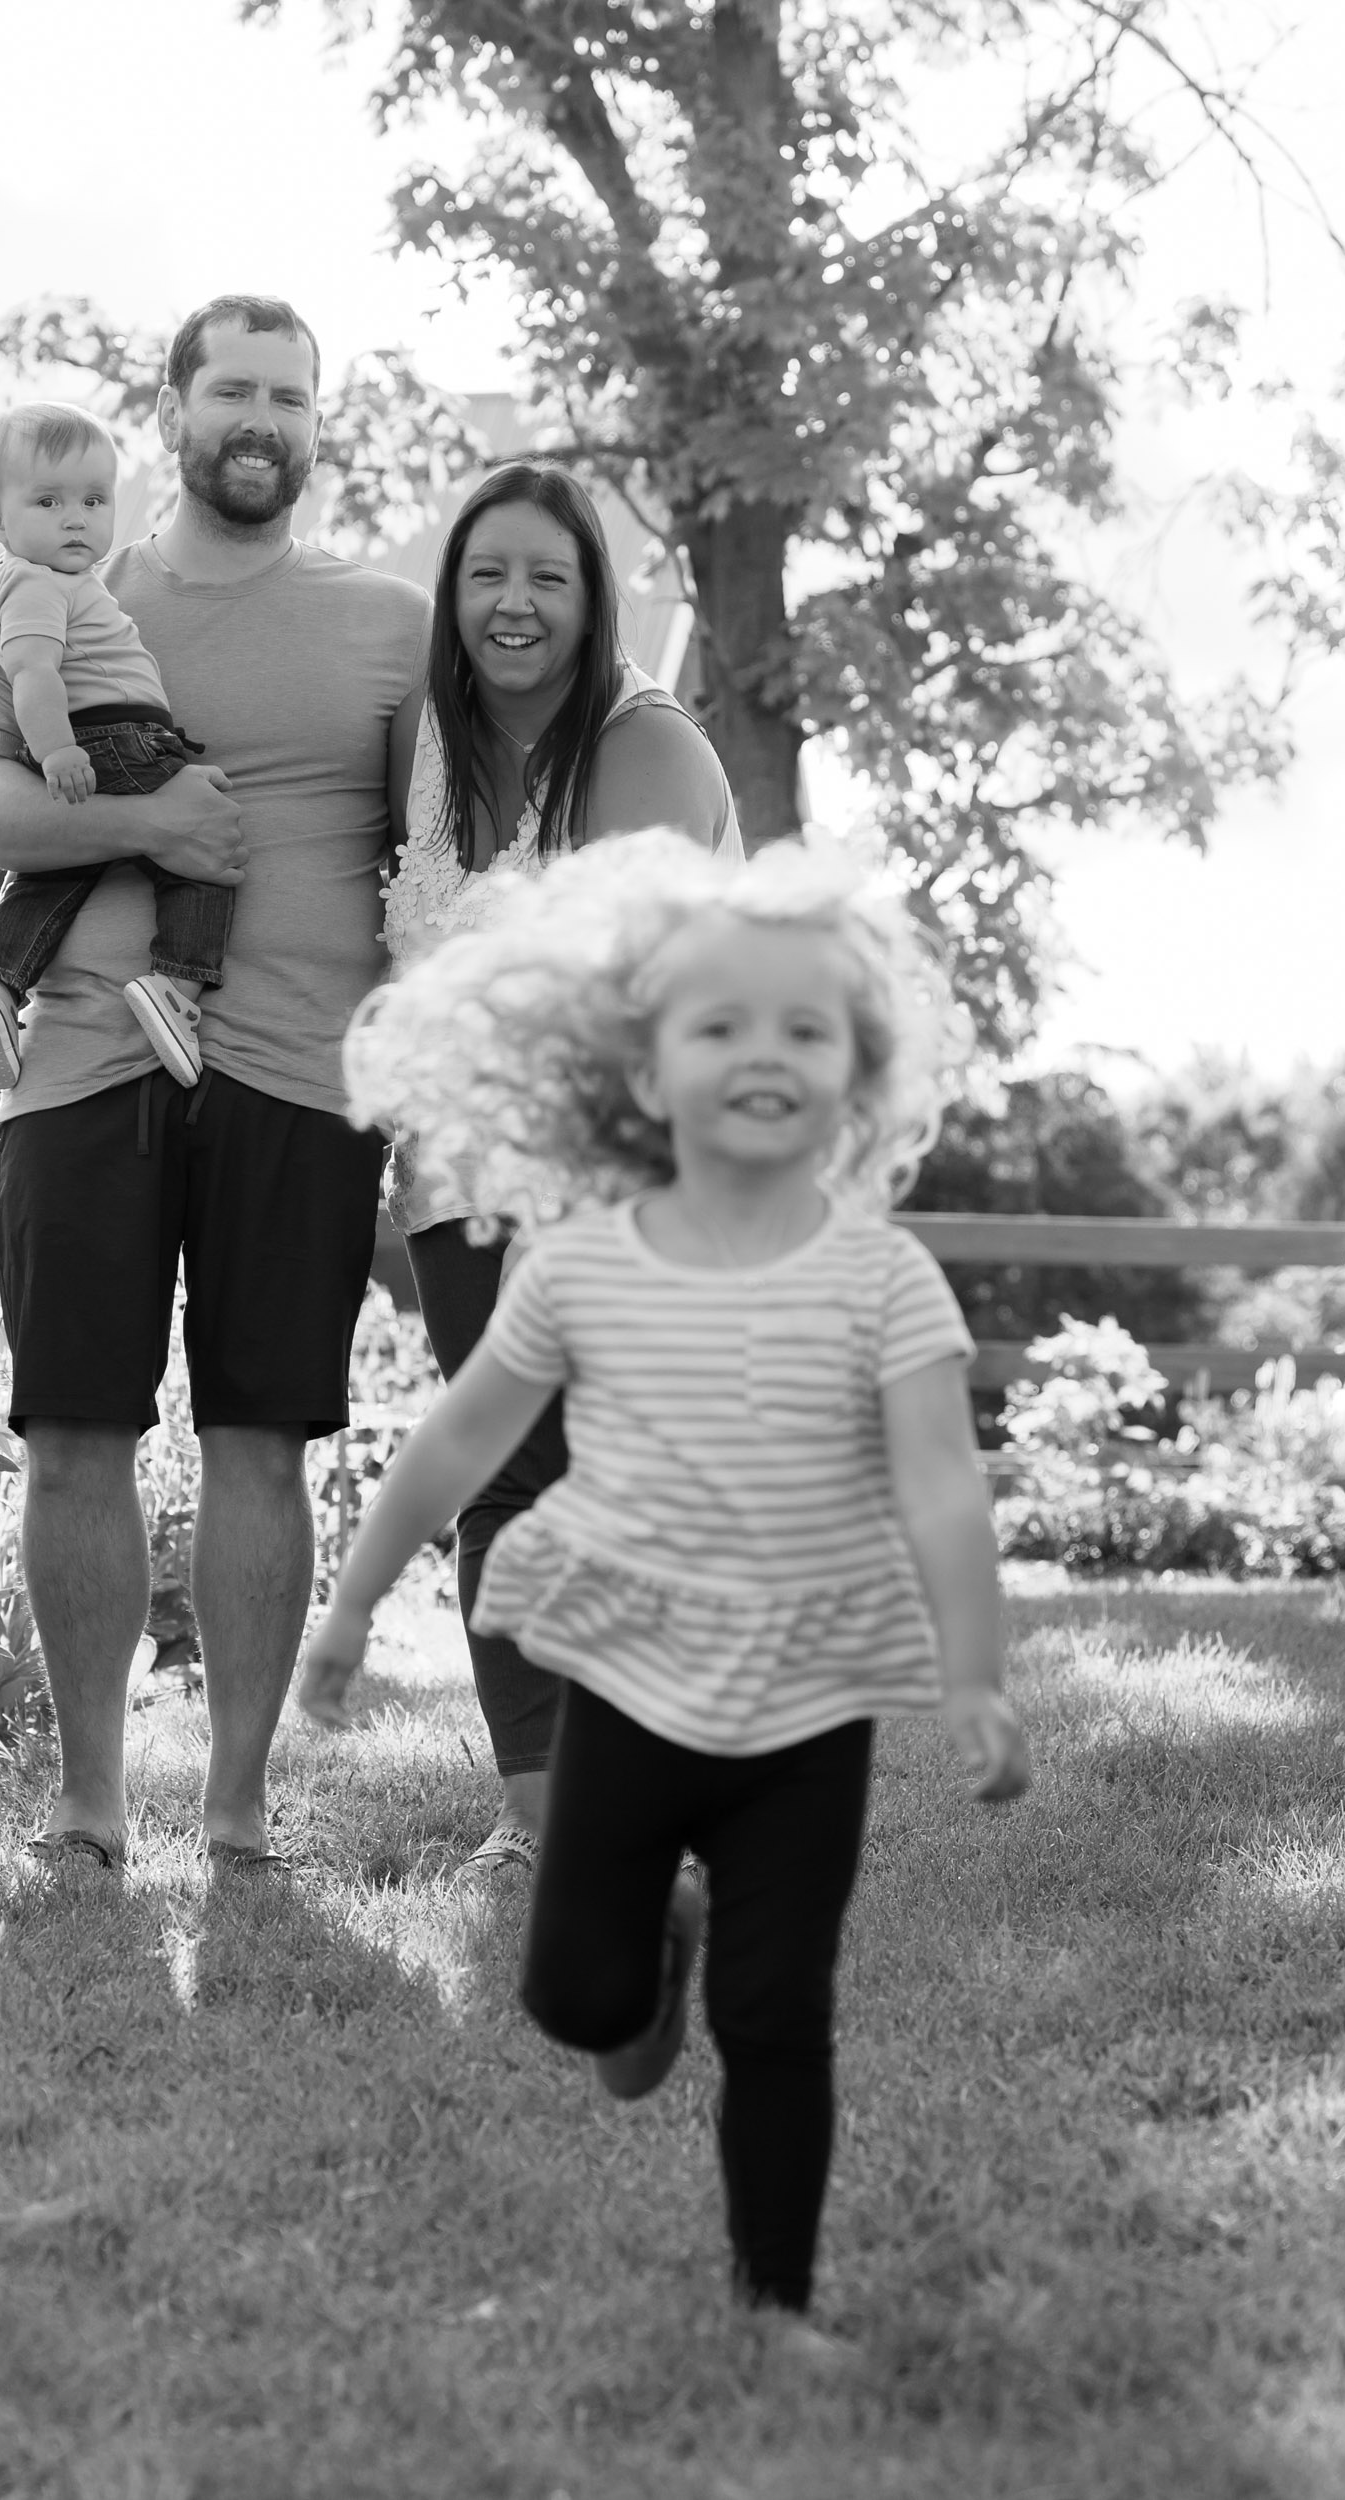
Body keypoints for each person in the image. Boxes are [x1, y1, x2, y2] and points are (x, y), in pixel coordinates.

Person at [299, 829, 1030, 2324]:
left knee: (776, 2016)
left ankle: (774, 2306)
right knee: (577, 1998)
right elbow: (457, 1443)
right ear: (644, 1073)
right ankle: (655, 1941)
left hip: (805, 1717)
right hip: (624, 1702)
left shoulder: (878, 1276)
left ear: (856, 1069)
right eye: (719, 1025)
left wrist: (970, 1675)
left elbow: (940, 1484)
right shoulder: (580, 1264)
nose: (763, 1053)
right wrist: (354, 1602)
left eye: (804, 1029)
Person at [0, 295, 432, 1871]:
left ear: (315, 420)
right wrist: (146, 831)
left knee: (259, 1438)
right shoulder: (60, 578)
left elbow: (453, 842)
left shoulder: (387, 623)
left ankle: (233, 1801)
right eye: (234, 392)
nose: (261, 420)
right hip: (81, 1067)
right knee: (74, 1429)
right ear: (175, 408)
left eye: (290, 394)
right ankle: (87, 1802)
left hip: (297, 1077)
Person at [384, 460, 741, 1878]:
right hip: (455, 1180)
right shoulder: (425, 750)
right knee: (507, 1483)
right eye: (486, 575)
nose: (513, 603)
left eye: (546, 575)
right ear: (451, 599)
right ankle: (536, 1816)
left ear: (592, 601)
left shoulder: (643, 750)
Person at [0, 403, 232, 1095]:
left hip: (89, 740)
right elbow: (35, 673)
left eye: (94, 500)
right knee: (204, 851)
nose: (76, 518)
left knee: (52, 874)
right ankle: (176, 987)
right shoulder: (42, 585)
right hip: (120, 736)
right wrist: (58, 748)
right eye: (49, 501)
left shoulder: (0, 586)